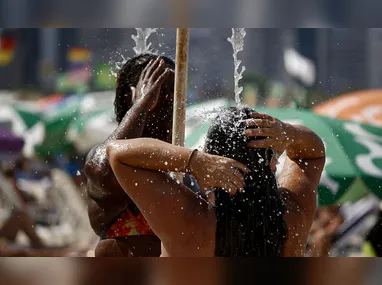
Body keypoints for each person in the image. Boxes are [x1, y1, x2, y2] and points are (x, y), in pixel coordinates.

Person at [106, 105, 325, 257]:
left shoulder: (189, 221)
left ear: (211, 159)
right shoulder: (293, 217)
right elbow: (311, 154)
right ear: (271, 163)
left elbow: (117, 153)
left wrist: (193, 161)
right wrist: (289, 133)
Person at [84, 54, 175, 257]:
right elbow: (105, 171)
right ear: (130, 97)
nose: (171, 101)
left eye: (176, 93)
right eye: (161, 91)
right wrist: (142, 104)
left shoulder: (179, 162)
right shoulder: (102, 156)